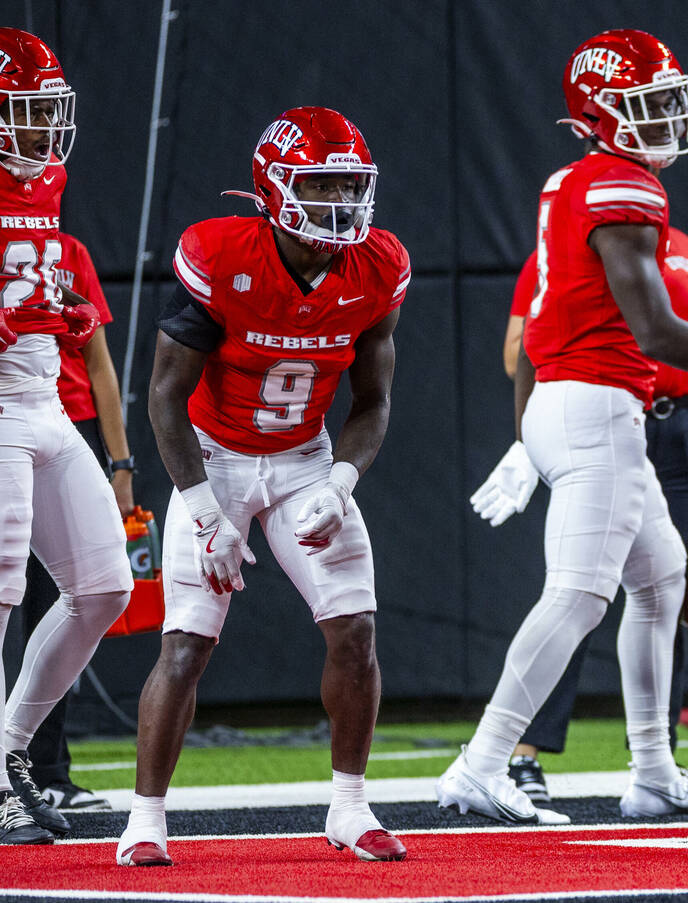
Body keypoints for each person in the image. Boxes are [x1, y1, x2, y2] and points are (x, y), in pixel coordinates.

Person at [437, 28, 688, 825]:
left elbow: (547, 318)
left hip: (572, 404)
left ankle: (651, 769)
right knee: (579, 595)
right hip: (598, 408)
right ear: (600, 114)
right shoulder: (623, 192)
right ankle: (482, 759)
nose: (669, 118)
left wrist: (523, 434)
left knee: (661, 576)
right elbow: (656, 331)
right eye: (648, 105)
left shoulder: (568, 184)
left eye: (671, 100)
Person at [115, 107, 410, 866]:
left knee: (356, 628)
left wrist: (341, 482)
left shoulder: (377, 265)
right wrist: (206, 509)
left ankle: (349, 806)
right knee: (187, 640)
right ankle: (144, 819)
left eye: (350, 185)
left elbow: (373, 403)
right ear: (274, 189)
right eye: (321, 185)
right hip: (211, 456)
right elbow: (162, 397)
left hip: (305, 456)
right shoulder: (219, 254)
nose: (340, 203)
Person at [502, 227, 688, 803]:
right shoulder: (563, 247)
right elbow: (519, 350)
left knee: (665, 592)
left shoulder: (684, 246)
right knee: (580, 591)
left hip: (675, 428)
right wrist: (528, 438)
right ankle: (517, 753)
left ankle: (658, 762)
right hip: (603, 422)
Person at [0, 27, 131, 846]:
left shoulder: (46, 177)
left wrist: (65, 314)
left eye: (49, 109)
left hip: (46, 400)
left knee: (106, 587)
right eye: (27, 109)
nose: (44, 126)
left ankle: (9, 749)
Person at [20, 230, 137, 814]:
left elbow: (99, 363)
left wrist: (120, 463)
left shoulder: (67, 251)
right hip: (11, 420)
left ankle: (43, 767)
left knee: (83, 593)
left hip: (67, 427)